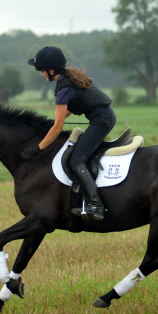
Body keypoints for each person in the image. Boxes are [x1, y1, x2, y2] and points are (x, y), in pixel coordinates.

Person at [21, 46, 116, 220]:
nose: (41, 74)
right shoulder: (68, 79)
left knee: (76, 160)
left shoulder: (63, 88)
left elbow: (58, 127)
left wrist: (38, 148)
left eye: (42, 70)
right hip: (105, 117)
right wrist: (51, 124)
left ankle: (96, 205)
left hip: (101, 120)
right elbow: (67, 111)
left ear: (51, 70)